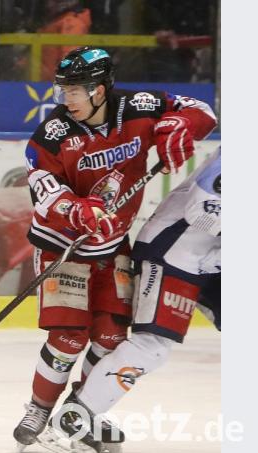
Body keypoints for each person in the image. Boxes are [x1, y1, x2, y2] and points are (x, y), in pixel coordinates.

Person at [13, 46, 217, 449]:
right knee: (69, 336)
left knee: (110, 338)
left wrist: (180, 123)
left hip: (112, 244)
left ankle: (78, 413)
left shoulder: (140, 106)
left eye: (76, 90)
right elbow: (43, 190)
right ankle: (38, 407)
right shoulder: (52, 135)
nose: (67, 99)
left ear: (102, 89)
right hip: (63, 246)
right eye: (63, 90)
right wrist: (76, 209)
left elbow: (204, 111)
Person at [42, 148, 221, 451]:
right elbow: (202, 211)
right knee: (152, 347)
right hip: (175, 252)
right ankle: (75, 417)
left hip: (211, 260)